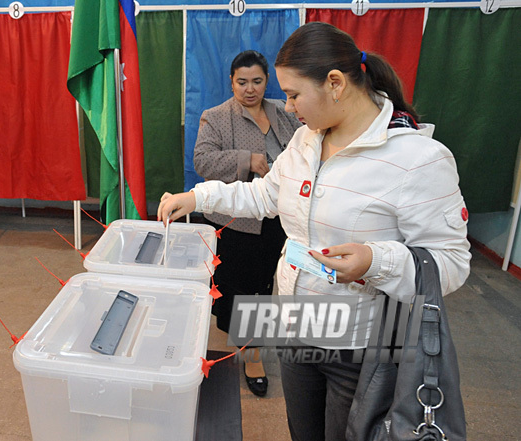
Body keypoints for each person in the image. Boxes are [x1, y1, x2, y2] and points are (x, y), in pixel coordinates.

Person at [159, 22, 470, 441]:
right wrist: (198, 197)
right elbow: (266, 197)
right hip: (295, 326)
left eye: (293, 95)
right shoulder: (307, 139)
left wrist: (376, 261)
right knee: (303, 431)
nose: (287, 108)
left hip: (362, 343)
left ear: (336, 84)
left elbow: (450, 264)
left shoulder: (418, 158)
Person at [193, 50, 301, 396]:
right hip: (236, 223)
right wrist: (248, 160)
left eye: (257, 81)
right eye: (242, 82)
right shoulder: (216, 117)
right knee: (235, 289)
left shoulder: (284, 112)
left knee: (262, 286)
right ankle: (248, 353)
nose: (250, 89)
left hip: (278, 218)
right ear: (231, 82)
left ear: (267, 81)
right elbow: (203, 162)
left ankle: (252, 350)